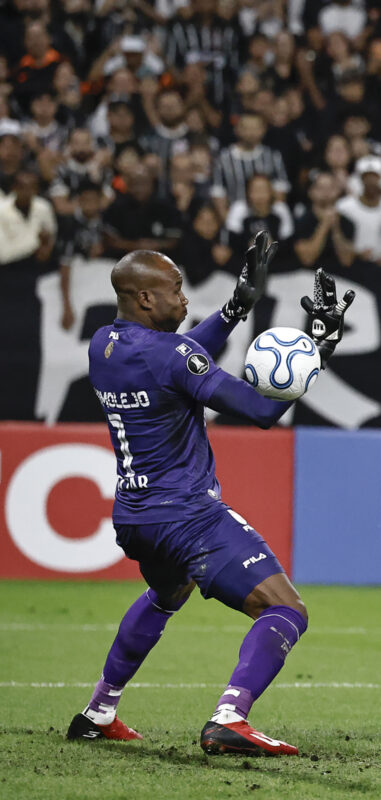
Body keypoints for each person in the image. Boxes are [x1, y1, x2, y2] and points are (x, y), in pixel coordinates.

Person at [66, 233, 354, 756]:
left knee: (165, 594)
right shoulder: (172, 356)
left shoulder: (103, 344)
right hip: (188, 516)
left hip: (135, 516)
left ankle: (98, 710)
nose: (184, 299)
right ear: (146, 298)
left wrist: (237, 306)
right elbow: (263, 410)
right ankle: (231, 717)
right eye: (176, 289)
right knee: (287, 611)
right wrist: (318, 347)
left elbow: (178, 353)